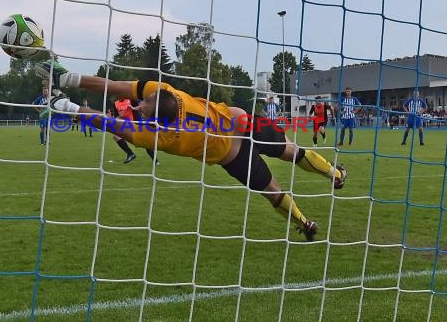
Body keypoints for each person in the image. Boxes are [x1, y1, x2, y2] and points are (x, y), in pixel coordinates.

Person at [35, 61, 347, 241]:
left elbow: (108, 121)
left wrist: (67, 106)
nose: (137, 106)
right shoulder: (166, 92)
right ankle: (330, 182)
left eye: (142, 108)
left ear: (157, 116)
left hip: (233, 152)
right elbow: (114, 86)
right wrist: (68, 78)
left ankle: (309, 216)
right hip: (241, 122)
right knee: (285, 162)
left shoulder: (165, 138)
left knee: (274, 185)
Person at [113, 98, 158, 164]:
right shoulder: (115, 103)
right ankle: (130, 154)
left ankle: (155, 160)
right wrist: (120, 116)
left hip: (135, 124)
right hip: (125, 125)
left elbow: (141, 106)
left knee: (144, 142)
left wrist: (133, 108)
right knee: (116, 136)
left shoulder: (131, 100)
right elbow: (116, 117)